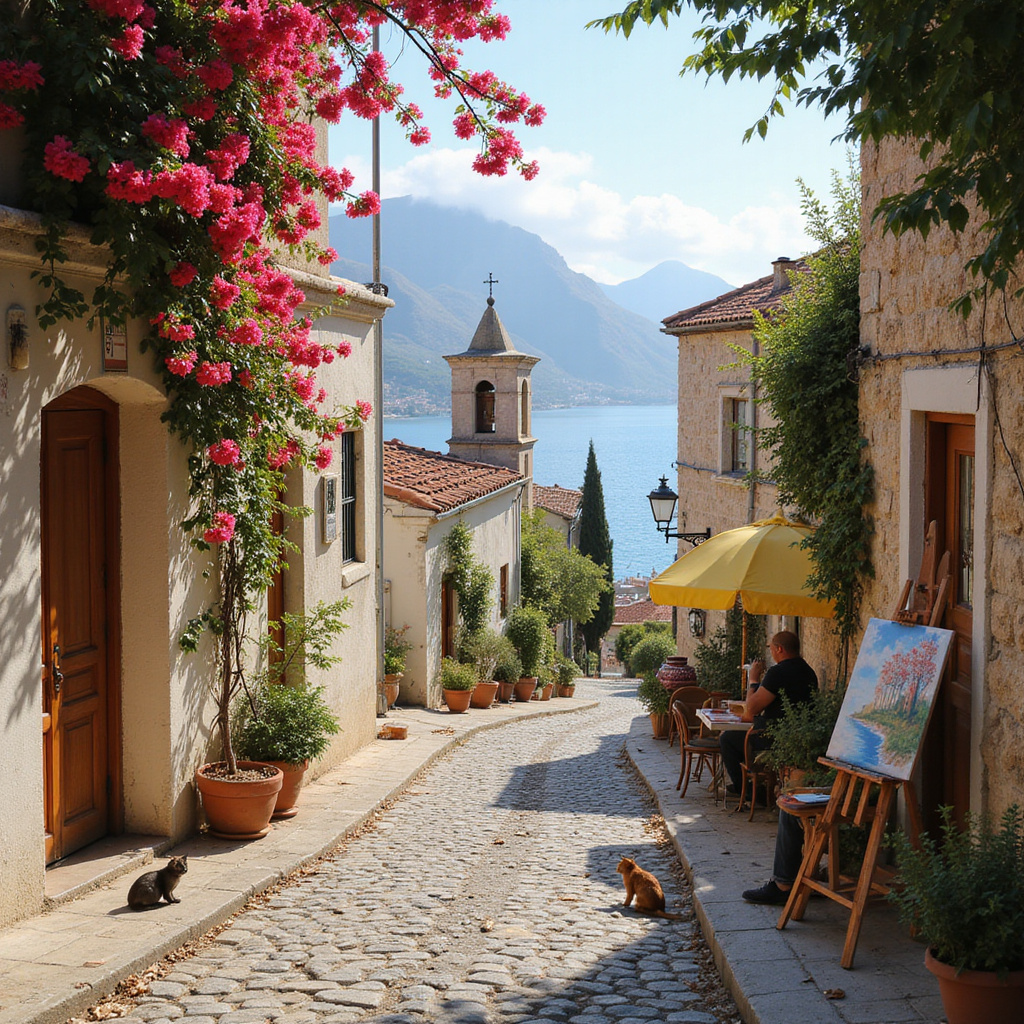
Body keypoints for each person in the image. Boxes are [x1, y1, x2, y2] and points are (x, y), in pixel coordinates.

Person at [719, 630, 817, 798]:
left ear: (779, 649)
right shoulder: (809, 672)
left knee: (727, 738)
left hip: (772, 737)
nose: (771, 653)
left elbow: (751, 708)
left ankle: (749, 791)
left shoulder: (778, 672)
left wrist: (753, 679)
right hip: (800, 735)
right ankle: (754, 785)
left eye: (771, 649)